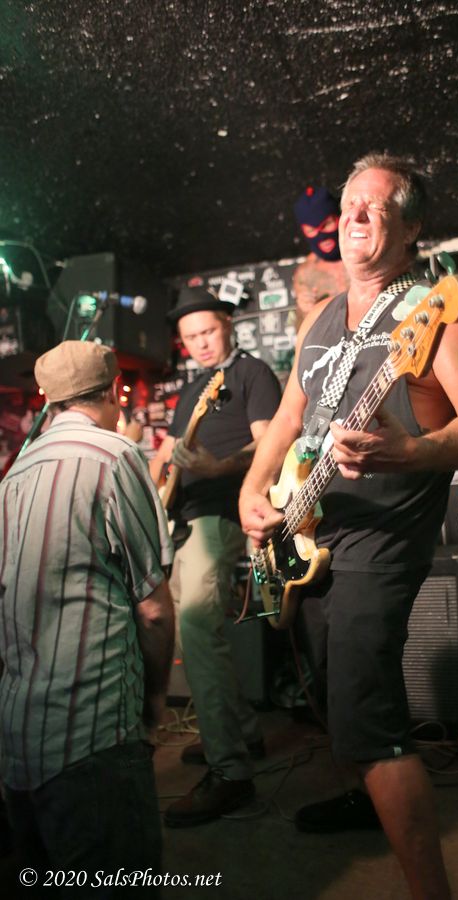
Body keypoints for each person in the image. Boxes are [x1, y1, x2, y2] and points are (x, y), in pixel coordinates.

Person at [239, 152, 458, 899]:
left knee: (369, 720)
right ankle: (368, 801)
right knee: (337, 702)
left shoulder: (438, 311)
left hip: (383, 539)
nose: (354, 212)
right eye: (349, 201)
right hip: (311, 528)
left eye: (376, 205)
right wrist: (254, 491)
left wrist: (412, 451)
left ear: (412, 227)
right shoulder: (320, 317)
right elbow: (288, 418)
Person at [0, 340, 174, 894]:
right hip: (92, 734)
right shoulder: (114, 456)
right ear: (114, 391)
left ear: (47, 400)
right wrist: (155, 701)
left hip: (19, 740)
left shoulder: (14, 475)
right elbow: (152, 609)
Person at [149, 287, 282, 826]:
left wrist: (218, 467)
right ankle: (242, 733)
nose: (201, 343)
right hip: (183, 520)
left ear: (228, 324)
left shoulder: (253, 374)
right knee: (192, 635)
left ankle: (231, 772)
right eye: (190, 338)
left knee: (198, 629)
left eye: (207, 331)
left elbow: (270, 444)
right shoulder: (191, 390)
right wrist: (160, 479)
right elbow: (169, 454)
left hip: (223, 514)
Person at [292, 185, 349, 327]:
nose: (322, 236)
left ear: (339, 218)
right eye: (311, 230)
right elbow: (301, 331)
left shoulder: (363, 253)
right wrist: (305, 312)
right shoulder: (305, 273)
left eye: (327, 224)